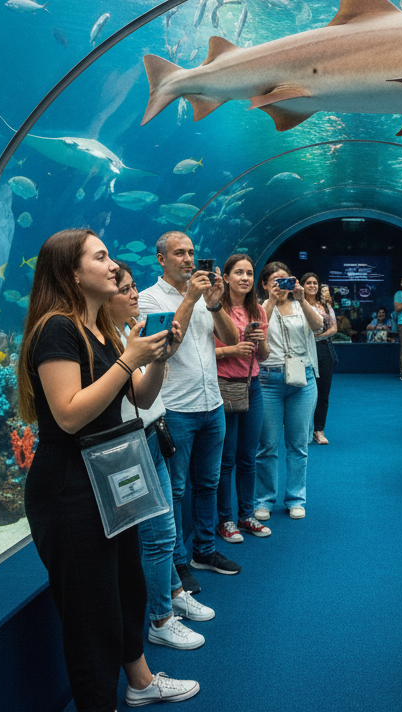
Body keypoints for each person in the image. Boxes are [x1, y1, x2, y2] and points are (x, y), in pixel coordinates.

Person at [18, 229, 199, 709]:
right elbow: (68, 415)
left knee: (127, 589)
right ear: (72, 274)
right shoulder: (57, 329)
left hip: (108, 479)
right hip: (69, 490)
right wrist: (128, 360)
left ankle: (139, 683)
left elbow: (140, 395)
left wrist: (156, 359)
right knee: (89, 616)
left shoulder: (101, 327)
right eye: (100, 257)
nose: (114, 266)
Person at [110, 262, 216, 653]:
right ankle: (160, 619)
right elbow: (134, 396)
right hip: (131, 446)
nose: (133, 294)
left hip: (153, 436)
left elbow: (147, 393)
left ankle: (172, 593)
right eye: (124, 289)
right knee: (158, 537)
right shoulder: (110, 340)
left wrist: (161, 354)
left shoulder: (129, 330)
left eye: (133, 286)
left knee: (165, 530)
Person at [139, 233, 239, 594]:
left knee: (209, 483)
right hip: (176, 408)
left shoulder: (203, 296)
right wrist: (191, 299)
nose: (188, 259)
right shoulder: (149, 298)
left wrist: (214, 304)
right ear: (160, 259)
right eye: (179, 253)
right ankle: (178, 562)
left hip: (213, 404)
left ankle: (205, 551)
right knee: (177, 489)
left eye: (191, 252)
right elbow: (163, 347)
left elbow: (231, 339)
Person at [255, 263, 324, 519]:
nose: (281, 286)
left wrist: (302, 299)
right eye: (275, 281)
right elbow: (254, 329)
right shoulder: (260, 307)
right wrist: (271, 301)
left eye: (285, 280)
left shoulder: (300, 305)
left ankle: (296, 498)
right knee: (267, 445)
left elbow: (318, 326)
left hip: (302, 379)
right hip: (268, 380)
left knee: (298, 444)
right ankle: (264, 500)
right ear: (264, 285)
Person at [215, 254, 271, 545]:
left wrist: (260, 342)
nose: (245, 278)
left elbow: (265, 355)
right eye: (238, 272)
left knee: (248, 456)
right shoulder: (214, 308)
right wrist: (231, 351)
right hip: (223, 386)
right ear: (225, 278)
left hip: (252, 386)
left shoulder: (257, 309)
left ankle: (246, 515)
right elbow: (200, 353)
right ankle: (225, 519)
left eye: (249, 273)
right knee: (226, 459)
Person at [301, 274, 337, 444]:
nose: (312, 285)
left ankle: (318, 429)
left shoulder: (325, 306)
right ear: (302, 285)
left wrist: (317, 337)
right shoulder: (296, 305)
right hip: (302, 350)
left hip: (323, 349)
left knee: (323, 392)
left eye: (315, 283)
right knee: (303, 391)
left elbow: (334, 328)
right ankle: (304, 428)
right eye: (308, 283)